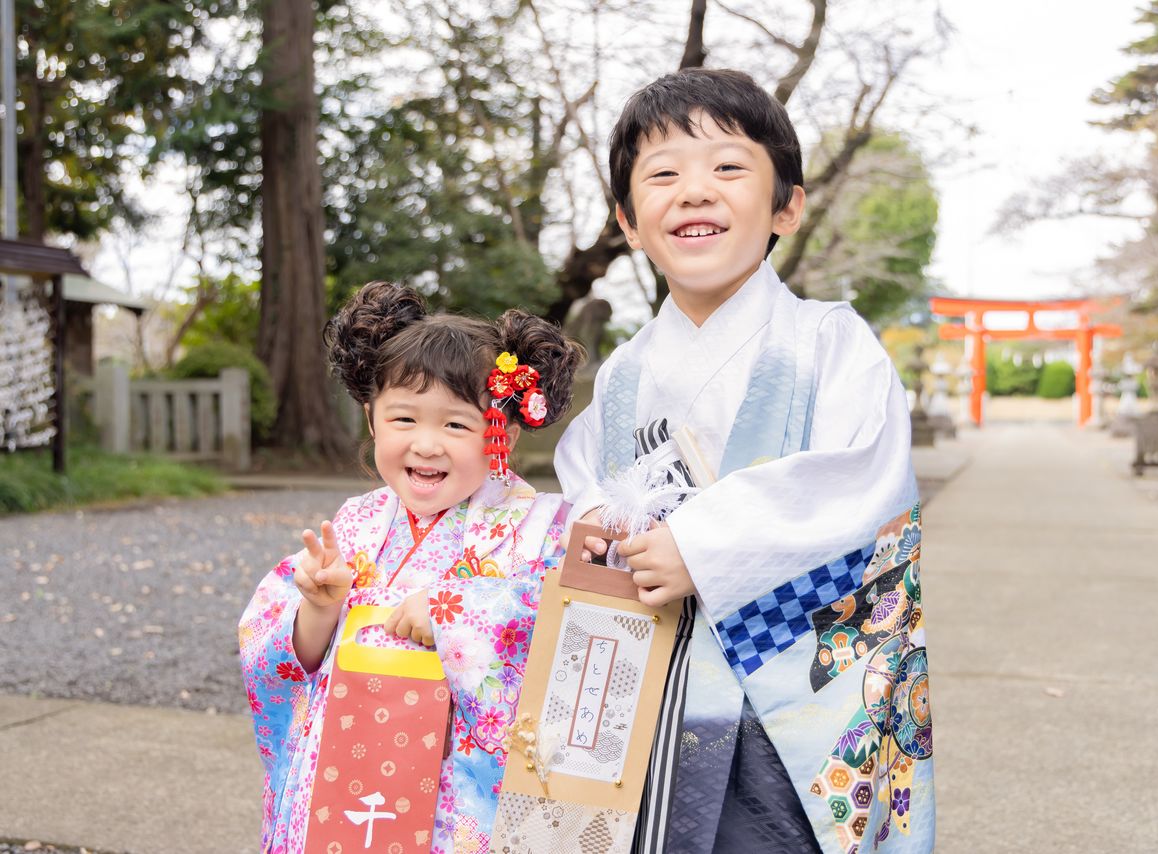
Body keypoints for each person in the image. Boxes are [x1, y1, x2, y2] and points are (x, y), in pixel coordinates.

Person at [555, 68, 934, 854]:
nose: (694, 191)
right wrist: (598, 523)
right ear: (628, 220)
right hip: (651, 696)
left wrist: (701, 545)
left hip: (786, 717)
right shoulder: (625, 371)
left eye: (728, 168)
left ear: (786, 207)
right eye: (662, 175)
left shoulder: (827, 342)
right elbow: (582, 478)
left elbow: (861, 481)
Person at [239, 281, 583, 853]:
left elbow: (577, 626)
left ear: (502, 434)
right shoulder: (353, 524)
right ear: (372, 420)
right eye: (404, 419)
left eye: (455, 424)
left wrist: (459, 613)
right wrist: (318, 611)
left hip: (458, 799)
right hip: (344, 765)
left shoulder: (543, 529)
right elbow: (266, 649)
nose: (426, 445)